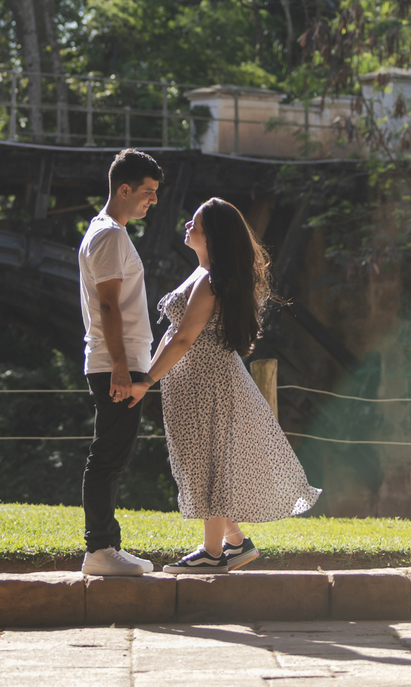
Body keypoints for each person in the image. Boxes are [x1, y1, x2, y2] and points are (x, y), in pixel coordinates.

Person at [130, 197, 320, 573]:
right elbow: (173, 337)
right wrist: (146, 379)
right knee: (202, 462)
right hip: (195, 382)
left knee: (208, 464)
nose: (187, 225)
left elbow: (184, 339)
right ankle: (236, 542)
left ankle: (212, 552)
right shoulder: (202, 273)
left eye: (196, 223)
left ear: (213, 234)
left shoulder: (212, 281)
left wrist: (147, 380)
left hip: (208, 384)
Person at [77, 146, 162, 575]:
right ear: (124, 189)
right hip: (118, 364)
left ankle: (104, 546)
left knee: (113, 455)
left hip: (119, 361)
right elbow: (108, 306)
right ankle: (101, 549)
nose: (153, 199)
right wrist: (122, 367)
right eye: (147, 191)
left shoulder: (106, 231)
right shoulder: (110, 234)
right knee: (109, 457)